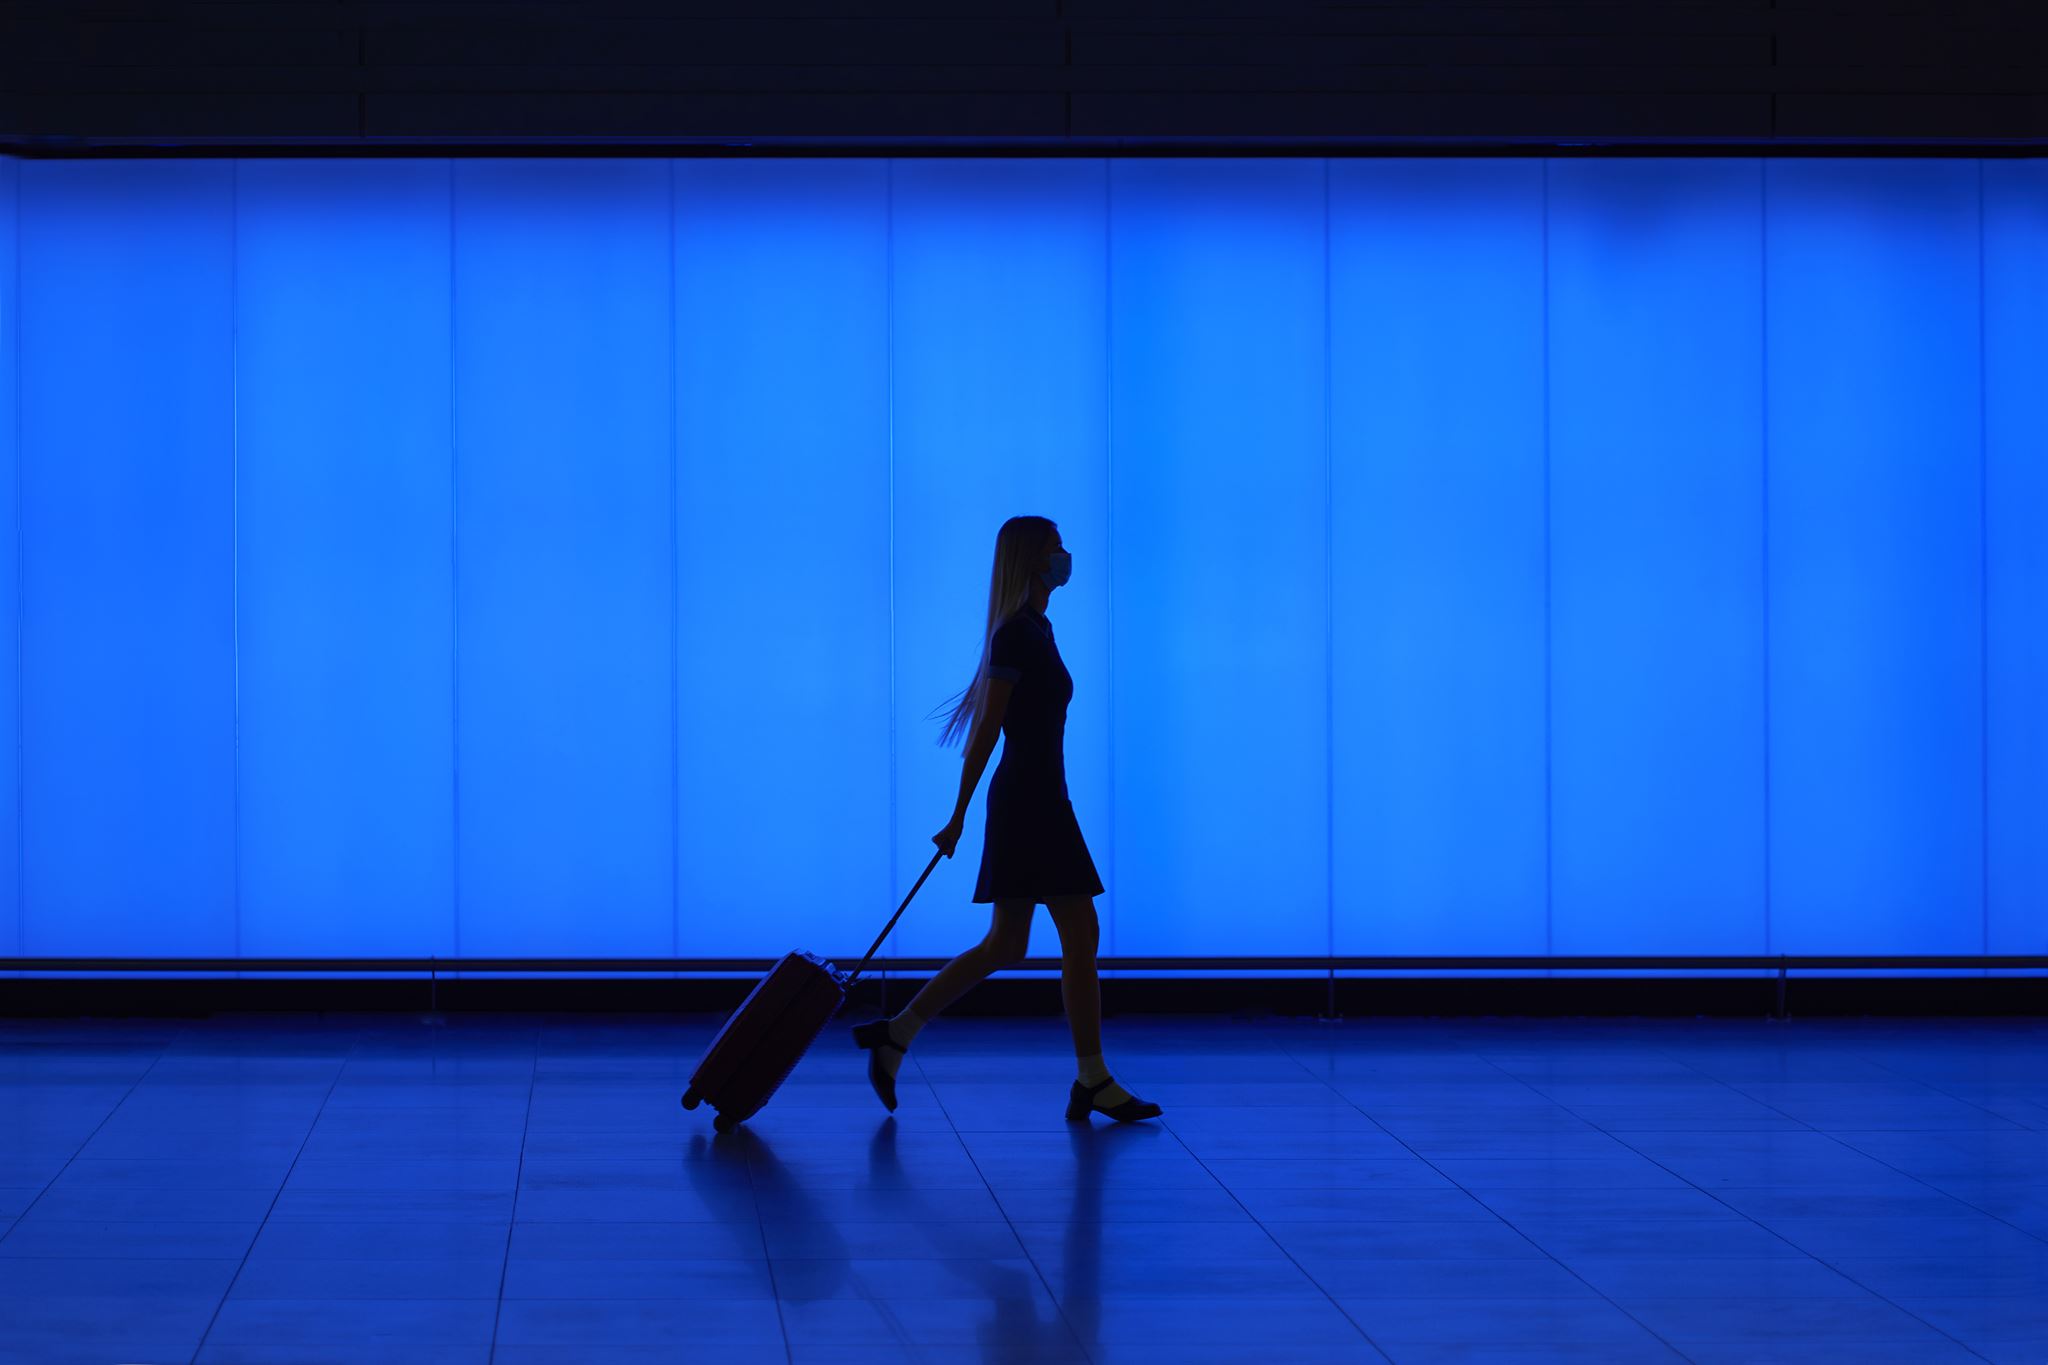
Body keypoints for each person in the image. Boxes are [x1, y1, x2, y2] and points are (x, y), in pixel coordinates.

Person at [850, 516, 1162, 1124]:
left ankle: (897, 1033)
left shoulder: (1037, 628)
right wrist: (958, 813)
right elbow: (987, 730)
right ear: (1032, 560)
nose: (1065, 556)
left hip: (1041, 797)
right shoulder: (1016, 634)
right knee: (1078, 934)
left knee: (1007, 943)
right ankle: (1093, 1079)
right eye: (1054, 549)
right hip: (1030, 801)